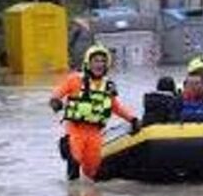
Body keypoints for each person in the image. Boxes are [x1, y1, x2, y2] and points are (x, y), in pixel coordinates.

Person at [49, 44, 141, 181]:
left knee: (93, 172)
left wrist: (132, 119)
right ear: (88, 63)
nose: (99, 64)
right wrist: (56, 102)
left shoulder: (108, 86)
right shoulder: (74, 80)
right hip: (75, 130)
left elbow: (115, 107)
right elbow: (56, 95)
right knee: (74, 161)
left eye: (103, 61)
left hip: (95, 133)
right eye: (96, 61)